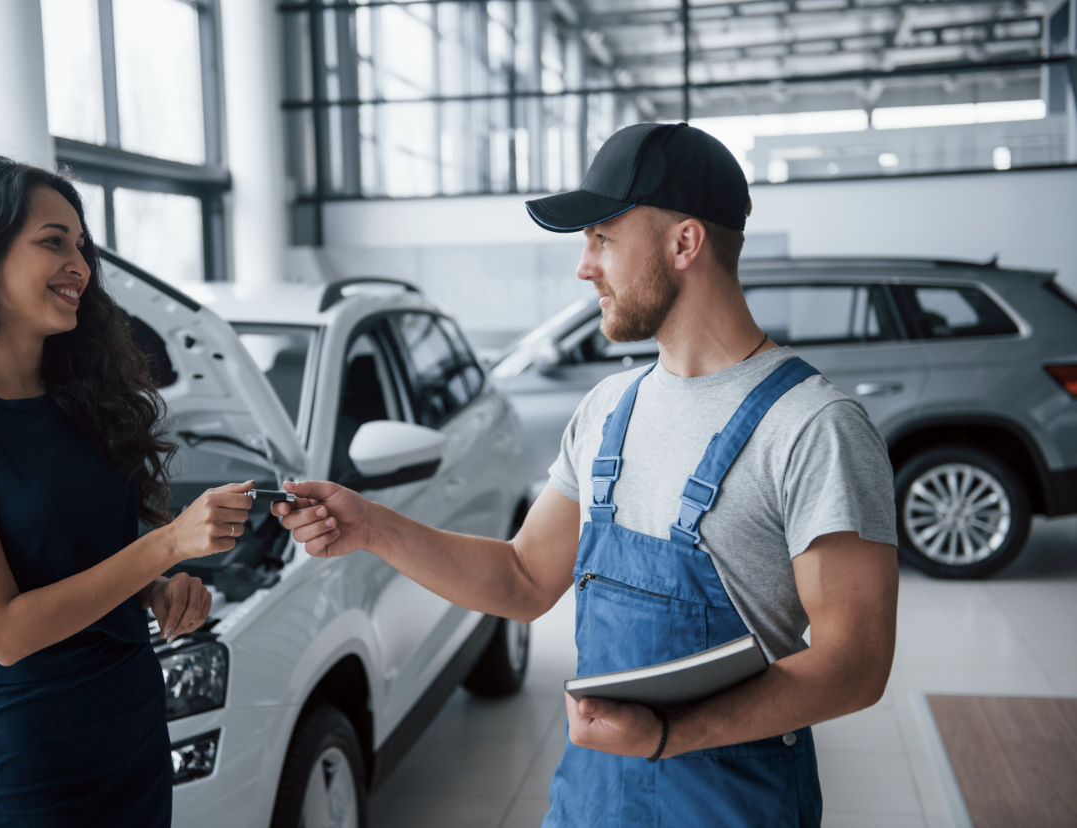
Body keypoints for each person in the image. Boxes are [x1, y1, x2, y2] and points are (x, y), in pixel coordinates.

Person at [271, 123, 899, 827]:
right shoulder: (609, 410)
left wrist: (667, 735)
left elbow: (856, 662)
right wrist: (370, 526)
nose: (583, 266)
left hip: (730, 807)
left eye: (601, 237)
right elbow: (523, 578)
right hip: (594, 801)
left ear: (684, 243)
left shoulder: (813, 426)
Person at [0, 156, 257, 828]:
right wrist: (167, 544)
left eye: (82, 246)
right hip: (36, 762)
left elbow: (84, 549)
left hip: (134, 724)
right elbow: (3, 631)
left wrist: (160, 587)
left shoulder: (78, 396)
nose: (80, 264)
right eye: (53, 241)